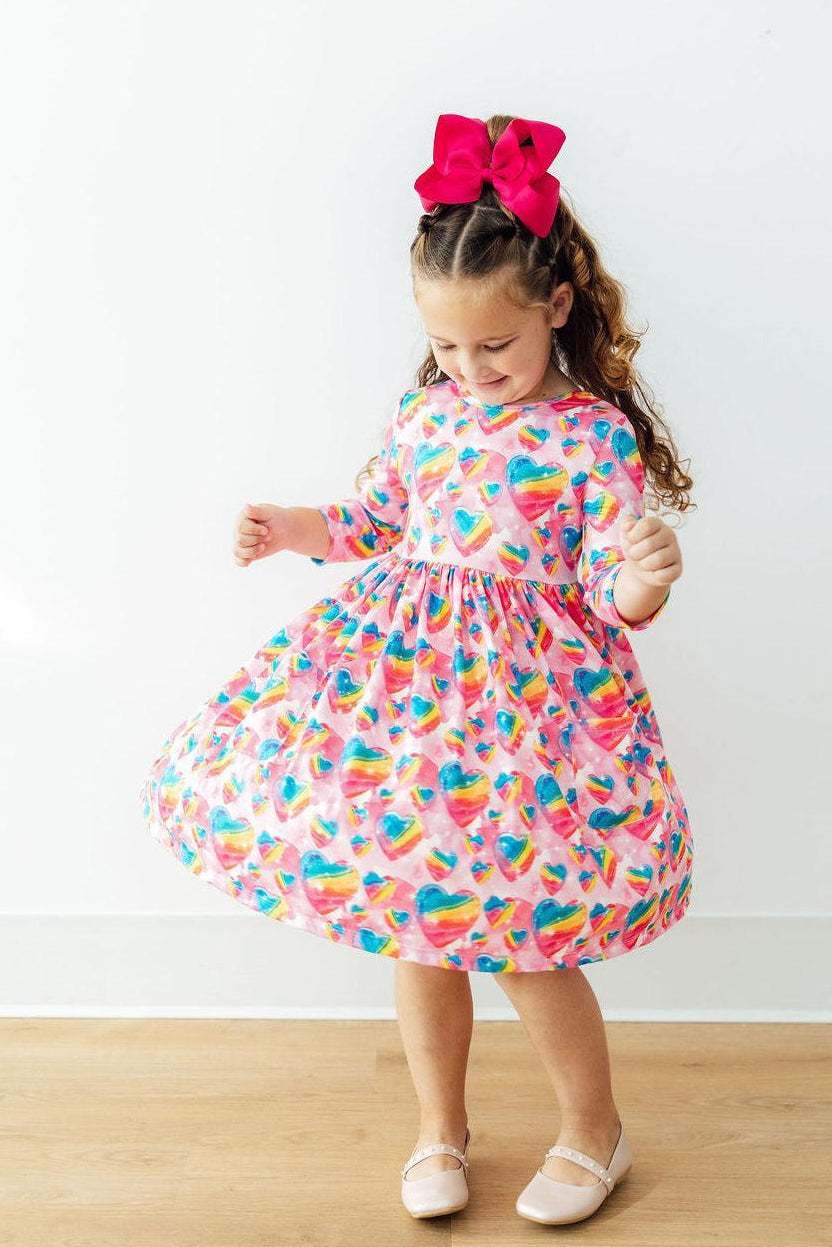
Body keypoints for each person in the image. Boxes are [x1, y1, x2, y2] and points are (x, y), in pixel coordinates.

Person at [139, 111, 695, 1226]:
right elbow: (378, 520)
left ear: (556, 305)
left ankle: (595, 1129)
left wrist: (645, 576)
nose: (470, 369)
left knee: (524, 942)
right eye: (447, 348)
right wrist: (295, 527)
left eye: (494, 347)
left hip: (526, 718)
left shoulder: (592, 437)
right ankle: (440, 1127)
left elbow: (609, 590)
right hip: (409, 707)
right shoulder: (426, 413)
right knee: (421, 923)